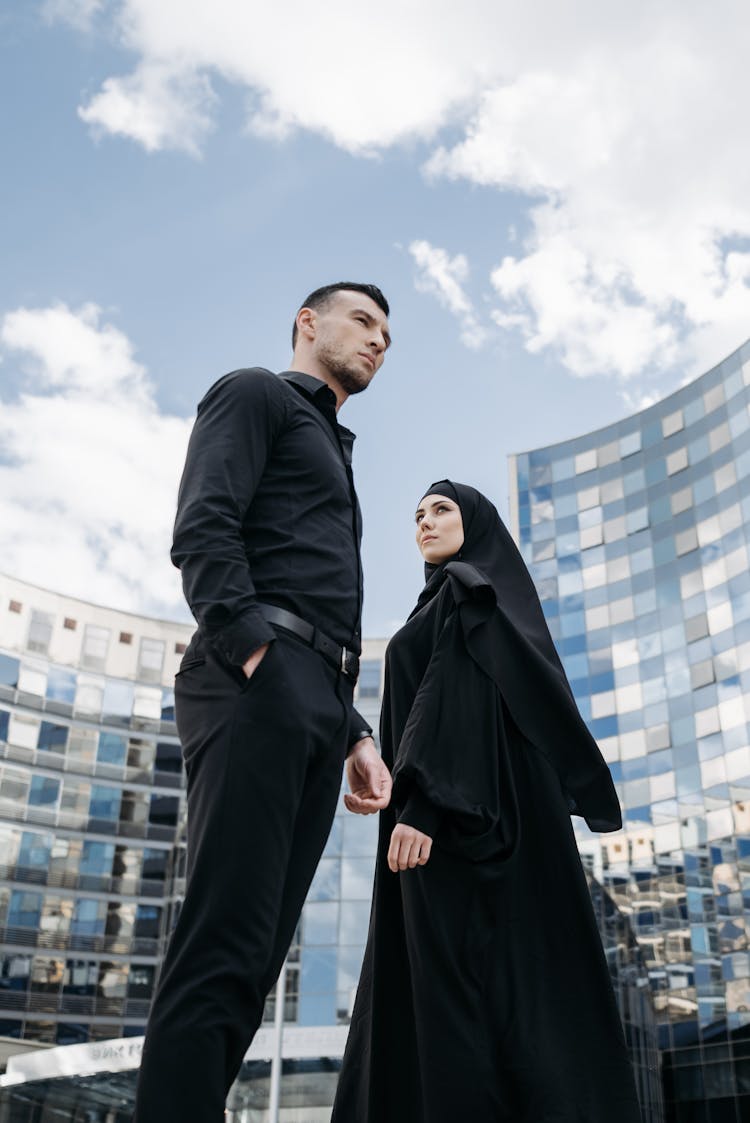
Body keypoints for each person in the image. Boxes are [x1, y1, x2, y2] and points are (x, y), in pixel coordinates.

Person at [133, 283, 394, 1123]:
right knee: (221, 945)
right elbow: (203, 529)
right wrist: (261, 659)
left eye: (388, 334)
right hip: (257, 684)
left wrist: (353, 729)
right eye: (364, 321)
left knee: (254, 961)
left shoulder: (334, 445)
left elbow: (314, 586)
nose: (379, 341)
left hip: (321, 704)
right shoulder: (253, 392)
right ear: (307, 322)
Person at [332, 481, 643, 1123]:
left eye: (441, 509)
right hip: (464, 821)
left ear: (477, 523)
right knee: (491, 1015)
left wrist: (421, 807)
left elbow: (457, 694)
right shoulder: (451, 602)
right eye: (416, 513)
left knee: (459, 1018)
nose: (424, 521)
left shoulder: (467, 591)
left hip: (457, 831)